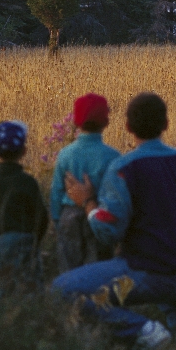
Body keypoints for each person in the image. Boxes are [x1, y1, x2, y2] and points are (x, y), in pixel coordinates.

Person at [52, 92, 176, 350]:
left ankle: (144, 330)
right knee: (171, 264)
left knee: (61, 290)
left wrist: (87, 202)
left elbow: (107, 230)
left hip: (148, 276)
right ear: (166, 124)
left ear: (127, 127)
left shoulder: (124, 169)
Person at [50, 93, 120, 272]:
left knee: (69, 267)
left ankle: (69, 298)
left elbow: (57, 191)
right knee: (97, 268)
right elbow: (115, 194)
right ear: (106, 122)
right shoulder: (112, 157)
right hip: (97, 214)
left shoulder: (65, 154)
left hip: (69, 216)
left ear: (76, 123)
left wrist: (58, 220)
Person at [0, 121, 48, 288]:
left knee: (3, 280)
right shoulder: (28, 182)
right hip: (26, 239)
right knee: (30, 281)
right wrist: (36, 239)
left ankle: (5, 307)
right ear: (24, 151)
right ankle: (32, 309)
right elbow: (41, 216)